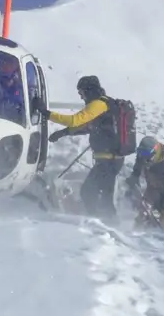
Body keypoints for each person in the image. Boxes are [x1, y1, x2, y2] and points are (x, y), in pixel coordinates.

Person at [40, 75, 126, 219]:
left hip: (108, 160)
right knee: (103, 195)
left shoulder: (99, 104)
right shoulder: (106, 105)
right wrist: (63, 133)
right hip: (111, 160)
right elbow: (89, 127)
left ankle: (99, 223)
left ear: (89, 90)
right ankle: (109, 222)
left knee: (89, 192)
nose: (81, 97)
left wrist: (46, 113)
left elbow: (74, 120)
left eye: (82, 93)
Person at [126, 136, 164, 229]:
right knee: (144, 211)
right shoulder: (143, 156)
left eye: (145, 153)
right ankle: (137, 231)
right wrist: (134, 177)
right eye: (140, 152)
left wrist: (163, 206)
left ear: (154, 151)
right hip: (153, 186)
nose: (142, 156)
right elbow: (138, 166)